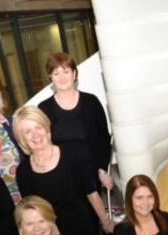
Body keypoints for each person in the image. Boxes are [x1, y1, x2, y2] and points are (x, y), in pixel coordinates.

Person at [12, 105, 113, 235]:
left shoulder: (73, 155)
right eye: (27, 132)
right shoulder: (23, 172)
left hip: (83, 232)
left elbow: (91, 192)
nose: (35, 135)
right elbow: (30, 212)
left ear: (46, 127)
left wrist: (105, 221)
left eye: (38, 127)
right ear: (22, 139)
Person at [38, 52, 114, 191]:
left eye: (66, 71)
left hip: (91, 176)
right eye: (56, 73)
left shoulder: (91, 102)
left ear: (74, 74)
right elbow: (42, 146)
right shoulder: (44, 108)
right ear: (51, 78)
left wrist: (102, 170)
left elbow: (103, 139)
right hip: (60, 178)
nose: (61, 77)